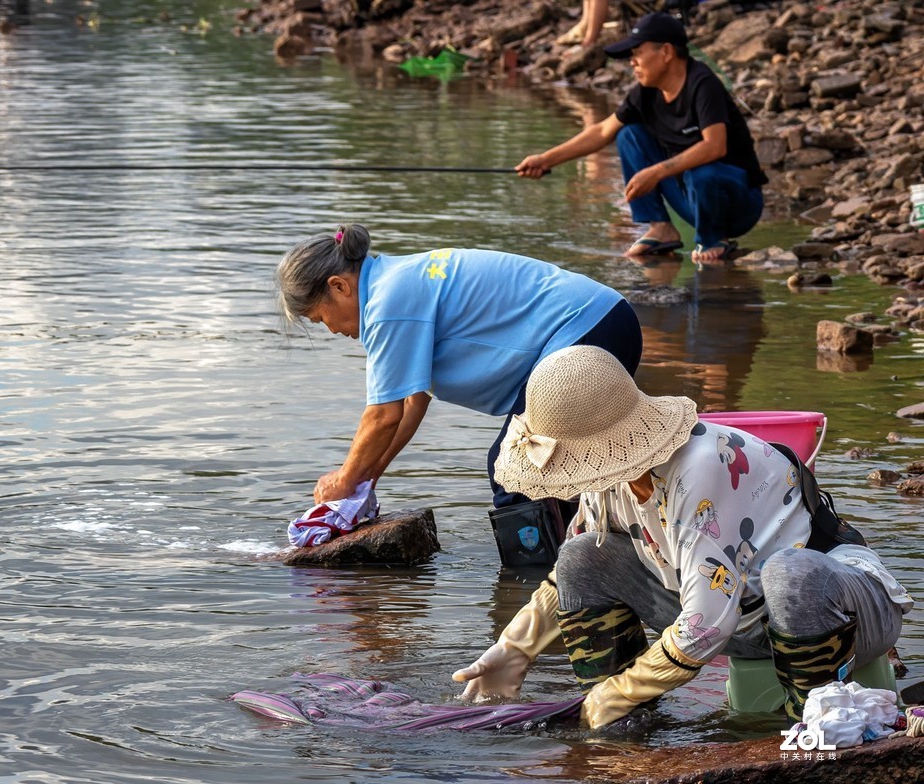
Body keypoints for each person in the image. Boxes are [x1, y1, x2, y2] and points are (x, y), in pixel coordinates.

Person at [452, 346, 912, 728]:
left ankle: (815, 726)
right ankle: (622, 727)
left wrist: (624, 688)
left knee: (790, 574)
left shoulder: (701, 467)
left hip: (838, 612)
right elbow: (572, 572)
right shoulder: (608, 475)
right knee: (580, 555)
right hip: (743, 619)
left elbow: (706, 625)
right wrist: (514, 648)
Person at [275, 225, 642, 561]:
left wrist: (343, 480)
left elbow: (383, 416)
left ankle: (532, 582)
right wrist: (366, 477)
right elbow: (412, 402)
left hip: (585, 330)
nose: (332, 330)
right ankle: (588, 558)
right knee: (552, 463)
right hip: (607, 320)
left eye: (320, 318)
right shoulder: (393, 281)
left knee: (514, 469)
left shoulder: (387, 305)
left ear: (339, 286)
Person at [517, 12, 767, 264]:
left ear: (666, 52)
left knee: (701, 173)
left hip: (738, 204)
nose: (632, 62)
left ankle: (712, 239)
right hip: (692, 199)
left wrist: (655, 172)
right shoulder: (645, 93)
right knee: (629, 134)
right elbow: (602, 131)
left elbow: (715, 146)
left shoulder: (702, 83)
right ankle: (661, 227)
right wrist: (546, 159)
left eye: (637, 53)